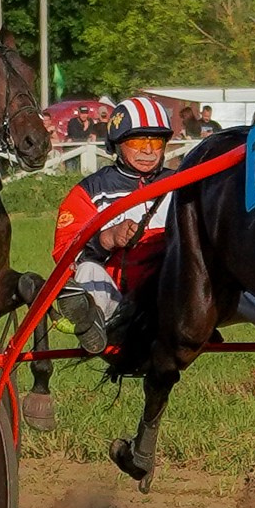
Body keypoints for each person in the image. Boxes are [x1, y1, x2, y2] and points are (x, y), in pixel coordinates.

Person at [49, 98, 178, 354]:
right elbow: (65, 253)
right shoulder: (91, 191)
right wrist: (107, 238)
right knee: (86, 272)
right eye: (138, 142)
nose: (149, 151)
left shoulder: (182, 184)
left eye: (156, 142)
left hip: (173, 293)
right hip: (117, 299)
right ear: (117, 144)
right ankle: (98, 326)